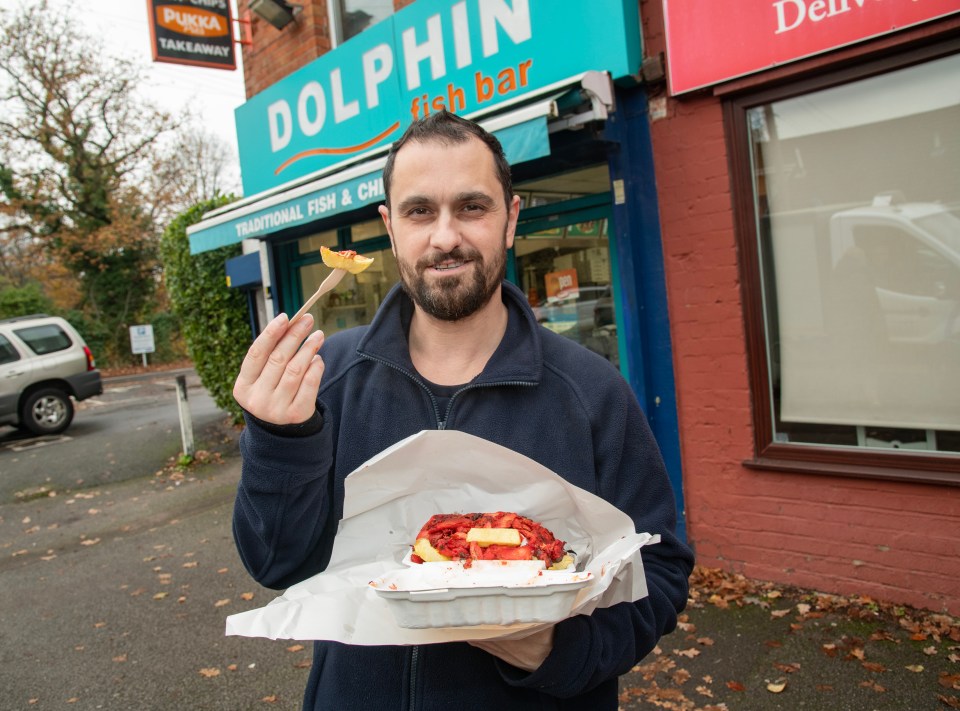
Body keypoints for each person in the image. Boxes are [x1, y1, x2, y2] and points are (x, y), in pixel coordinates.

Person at [232, 110, 694, 710]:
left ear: (511, 219)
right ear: (390, 228)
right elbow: (276, 563)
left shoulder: (591, 391)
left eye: (472, 207)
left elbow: (657, 569)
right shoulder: (326, 381)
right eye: (420, 211)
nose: (445, 236)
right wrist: (277, 439)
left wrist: (557, 652)